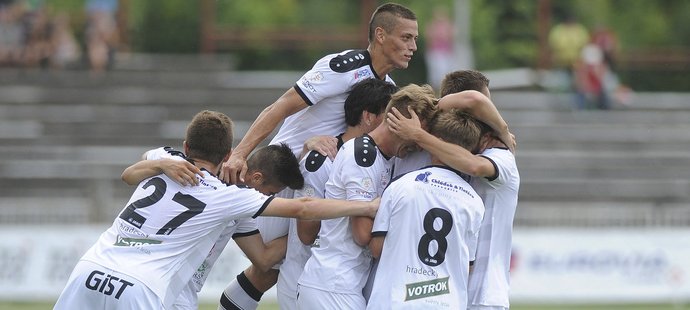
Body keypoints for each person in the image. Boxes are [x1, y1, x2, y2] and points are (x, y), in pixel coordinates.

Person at [53, 110, 379, 310]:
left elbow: (129, 173)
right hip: (150, 286)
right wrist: (368, 205)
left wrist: (163, 164)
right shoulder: (230, 197)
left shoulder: (163, 158)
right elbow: (303, 209)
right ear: (228, 155)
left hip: (90, 269)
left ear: (186, 146)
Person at [217, 3, 419, 309]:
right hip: (284, 177)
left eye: (414, 39)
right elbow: (281, 106)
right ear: (380, 35)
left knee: (272, 266)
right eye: (406, 38)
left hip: (322, 177)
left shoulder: (388, 91)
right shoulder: (344, 67)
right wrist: (240, 154)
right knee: (272, 263)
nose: (413, 46)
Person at [386, 70, 520, 310]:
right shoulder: (425, 152)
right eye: (485, 109)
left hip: (484, 294)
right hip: (445, 293)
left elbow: (474, 166)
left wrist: (502, 129)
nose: (487, 113)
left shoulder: (499, 155)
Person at [296, 84, 438, 310]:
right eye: (415, 134)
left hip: (343, 284)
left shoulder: (383, 157)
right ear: (397, 122)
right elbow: (362, 234)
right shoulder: (363, 156)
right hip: (333, 286)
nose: (419, 144)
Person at [119, 143, 303, 310]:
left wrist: (161, 164)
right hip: (174, 292)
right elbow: (265, 259)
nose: (269, 197)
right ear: (256, 178)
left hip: (130, 274)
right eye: (271, 193)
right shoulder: (234, 198)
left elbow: (263, 260)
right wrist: (305, 231)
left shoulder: (175, 163)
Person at [276, 78, 398, 310]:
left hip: (344, 282)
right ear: (369, 117)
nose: (395, 122)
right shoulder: (321, 159)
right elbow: (306, 233)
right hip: (308, 280)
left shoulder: (383, 158)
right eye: (389, 114)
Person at [367, 109, 486, 310]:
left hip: (395, 301)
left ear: (435, 141)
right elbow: (467, 266)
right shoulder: (474, 201)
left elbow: (376, 248)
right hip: (446, 303)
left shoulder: (401, 185)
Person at [424, 7, 454, 91]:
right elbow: (429, 40)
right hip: (436, 52)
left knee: (445, 74)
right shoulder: (432, 26)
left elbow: (450, 38)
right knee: (435, 75)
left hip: (445, 53)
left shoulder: (447, 26)